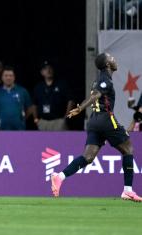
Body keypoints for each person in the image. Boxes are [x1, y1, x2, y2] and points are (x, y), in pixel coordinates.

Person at [51, 52, 141, 202]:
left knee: (88, 157)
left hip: (94, 122)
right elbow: (95, 96)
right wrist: (80, 109)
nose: (114, 59)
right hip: (105, 119)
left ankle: (59, 177)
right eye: (111, 58)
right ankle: (128, 190)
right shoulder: (105, 80)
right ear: (107, 64)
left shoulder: (98, 80)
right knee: (128, 149)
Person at [32, 61, 74, 131]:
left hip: (58, 121)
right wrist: (36, 119)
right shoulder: (38, 87)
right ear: (42, 72)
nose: (48, 70)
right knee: (43, 141)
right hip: (43, 122)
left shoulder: (61, 84)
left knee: (60, 141)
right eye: (45, 69)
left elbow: (71, 100)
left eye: (50, 68)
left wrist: (66, 117)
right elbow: (34, 105)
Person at [0, 66, 33, 130]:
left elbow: (30, 108)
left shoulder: (22, 91)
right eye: (6, 75)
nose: (8, 78)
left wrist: (22, 119)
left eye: (11, 75)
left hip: (19, 129)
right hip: (1, 130)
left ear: (14, 77)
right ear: (2, 77)